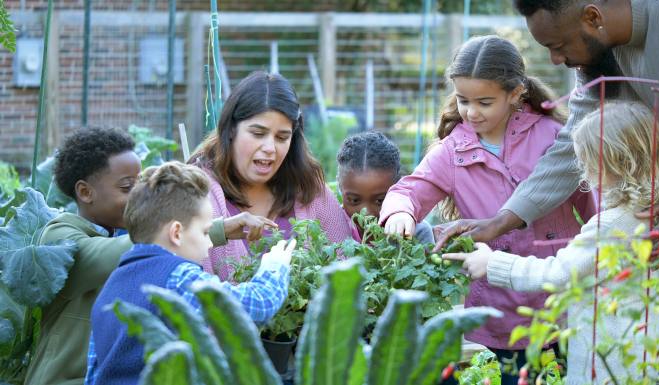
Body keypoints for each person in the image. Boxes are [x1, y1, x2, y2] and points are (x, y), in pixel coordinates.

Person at [379, 35, 595, 383]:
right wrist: (401, 212)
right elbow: (410, 190)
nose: (471, 112)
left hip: (562, 294)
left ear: (515, 93)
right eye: (464, 101)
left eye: (484, 102)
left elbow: (593, 209)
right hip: (503, 304)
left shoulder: (553, 137)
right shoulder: (452, 153)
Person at [24, 127, 275, 385]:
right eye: (127, 187)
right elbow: (106, 255)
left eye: (140, 183)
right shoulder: (60, 235)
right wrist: (203, 228)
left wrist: (198, 230)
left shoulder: (128, 234)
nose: (138, 195)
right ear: (86, 192)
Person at [446, 102, 659, 385]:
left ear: (614, 162)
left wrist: (492, 264)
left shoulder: (612, 224)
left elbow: (557, 273)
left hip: (604, 366)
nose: (583, 170)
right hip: (642, 355)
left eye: (587, 161)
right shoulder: (656, 214)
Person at [434, 0, 659, 251]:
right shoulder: (597, 54)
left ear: (593, 18)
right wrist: (501, 222)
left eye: (558, 46)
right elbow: (569, 150)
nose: (555, 60)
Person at [85, 161, 295, 385]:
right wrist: (275, 265)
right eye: (205, 232)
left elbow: (93, 373)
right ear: (176, 232)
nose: (209, 244)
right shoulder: (178, 276)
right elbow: (258, 303)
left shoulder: (112, 285)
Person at [190, 71, 353, 281]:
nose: (270, 148)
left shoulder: (310, 191)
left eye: (282, 137)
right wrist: (218, 231)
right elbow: (173, 254)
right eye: (258, 134)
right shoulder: (198, 190)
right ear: (231, 129)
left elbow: (348, 268)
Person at [336, 131, 434, 244]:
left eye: (380, 201)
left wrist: (405, 243)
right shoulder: (331, 227)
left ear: (399, 189)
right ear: (340, 187)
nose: (367, 213)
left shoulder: (414, 231)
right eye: (354, 200)